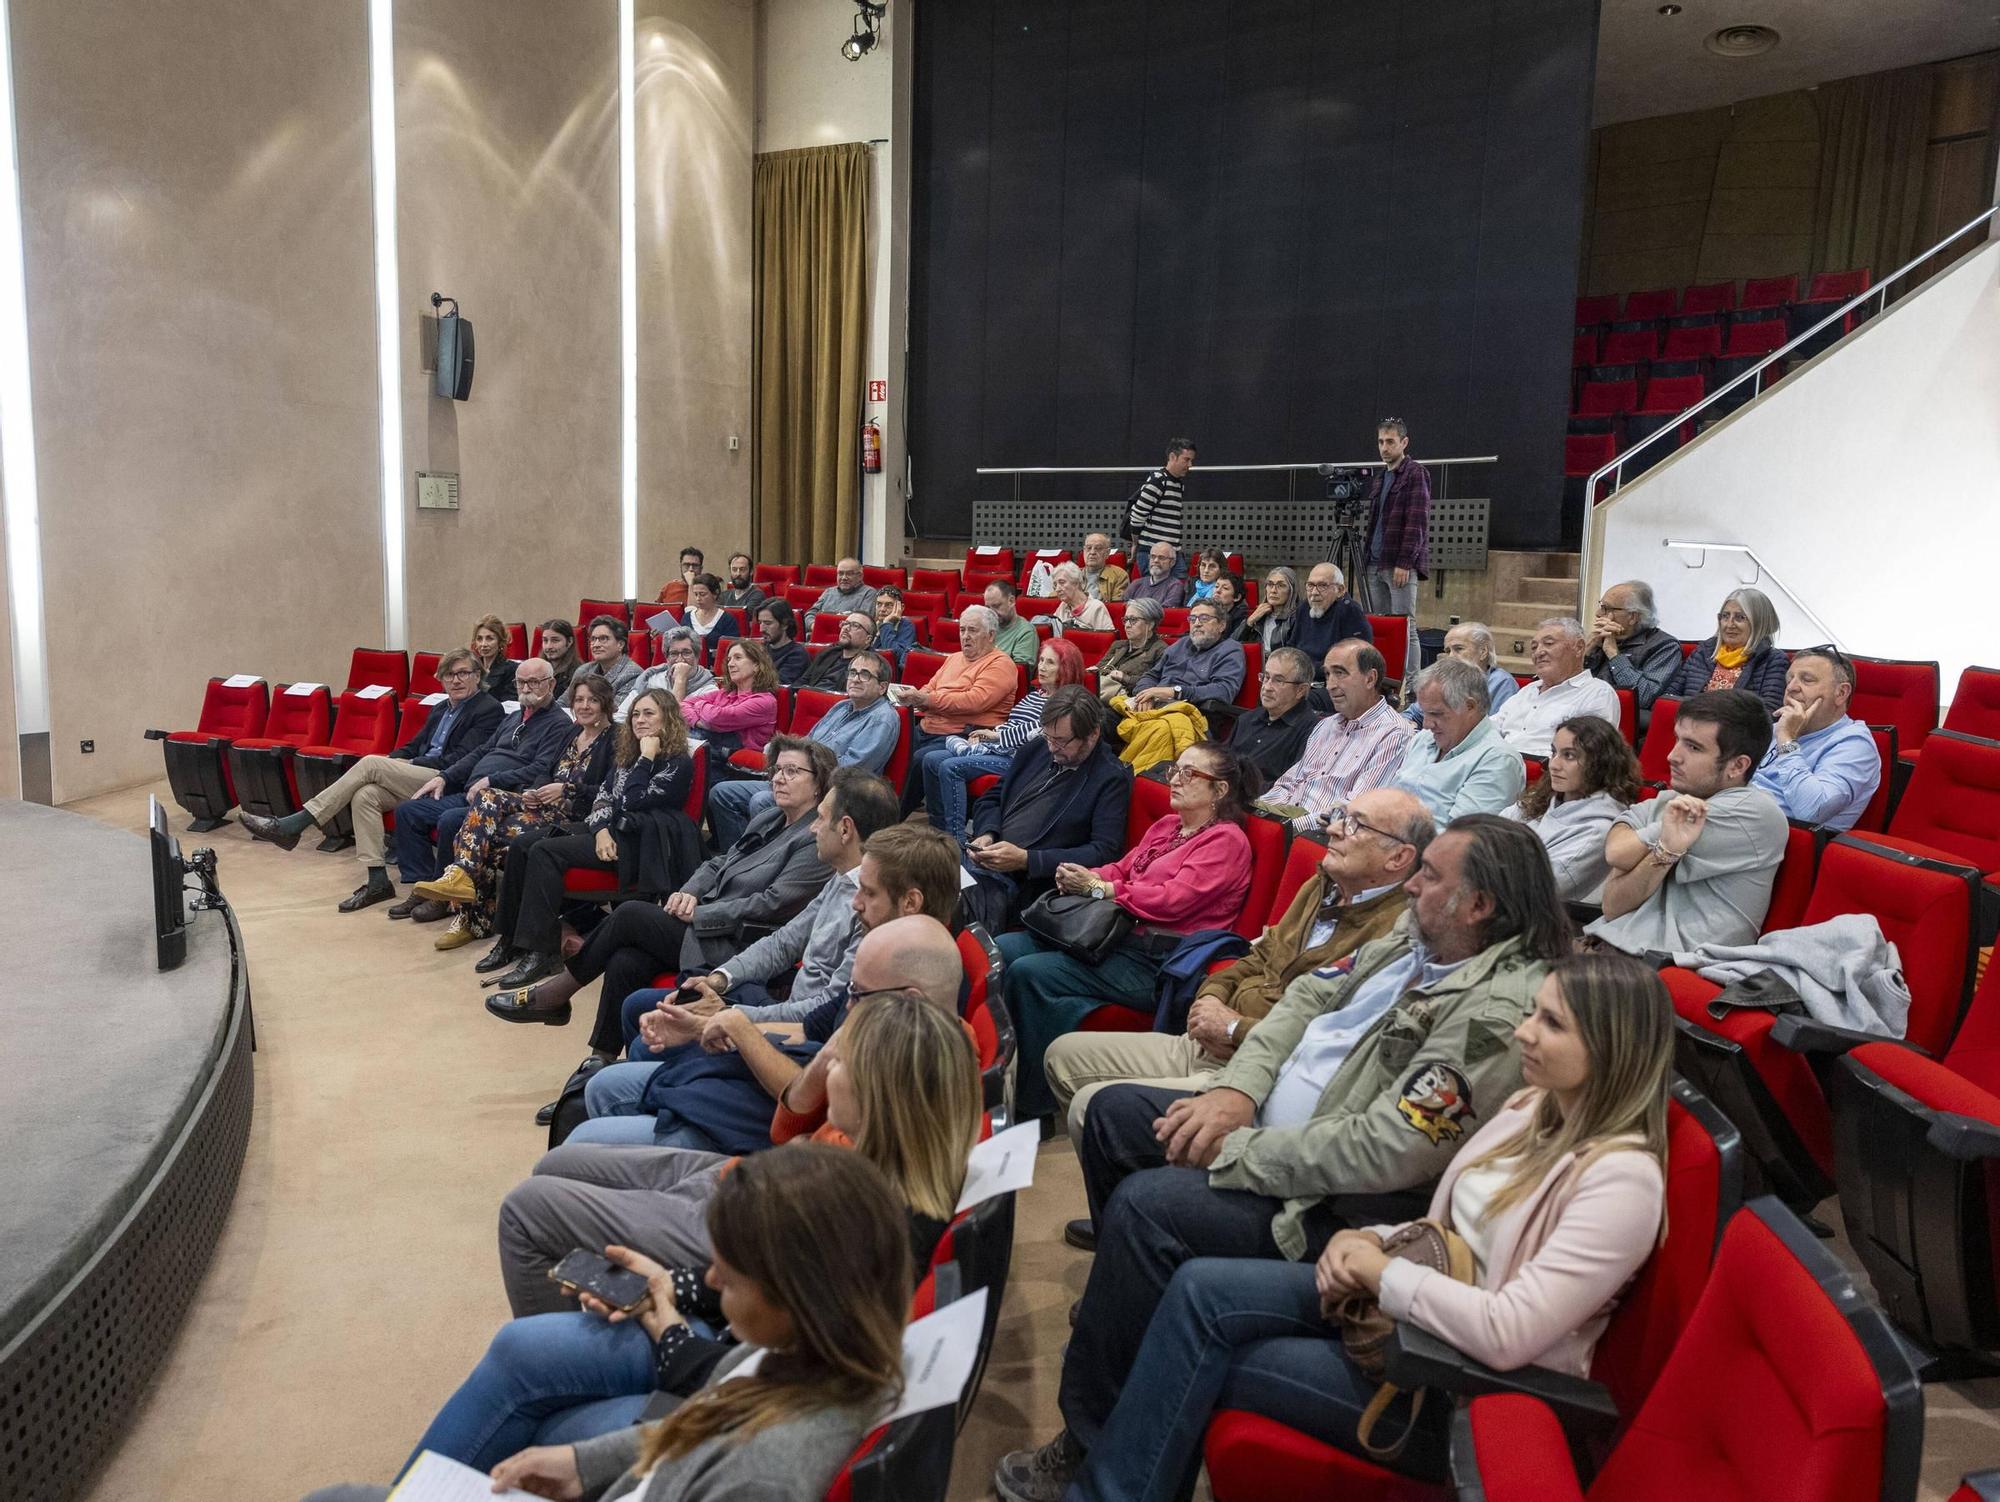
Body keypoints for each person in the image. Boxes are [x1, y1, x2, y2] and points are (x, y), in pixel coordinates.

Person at [993, 816, 1569, 1501]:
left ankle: (1094, 1449)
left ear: (1480, 906)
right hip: (1268, 1124)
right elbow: (1306, 996)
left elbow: (1385, 1150)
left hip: (1335, 1206)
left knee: (1152, 1212)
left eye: (1431, 876)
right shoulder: (1413, 936)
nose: (1412, 884)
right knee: (1117, 1120)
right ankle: (1128, 1326)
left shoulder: (1497, 1015)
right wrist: (1237, 1091)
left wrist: (1239, 1147)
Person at [1062, 950, 1675, 1500]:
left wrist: (1382, 1274)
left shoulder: (1623, 1181)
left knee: (1212, 1353)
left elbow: (1509, 1332)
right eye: (1533, 1013)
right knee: (1198, 1289)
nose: (1523, 1033)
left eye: (1552, 1024)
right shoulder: (1533, 1106)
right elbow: (1443, 1223)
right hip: (1417, 1310)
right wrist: (1370, 1240)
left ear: (1611, 1046)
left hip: (1463, 1383)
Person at [360, 999, 979, 1482]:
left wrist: (668, 1322)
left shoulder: (864, 1217)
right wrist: (660, 1289)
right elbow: (758, 1310)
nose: (826, 1066)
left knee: (528, 1373)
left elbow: (760, 1372)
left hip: (716, 1370)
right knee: (533, 1379)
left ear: (880, 1092)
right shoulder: (877, 1185)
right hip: (728, 1353)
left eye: (842, 1061)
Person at [302, 1145, 911, 1502]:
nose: (713, 1281)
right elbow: (704, 1417)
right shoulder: (805, 1354)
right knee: (551, 1424)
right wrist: (583, 1465)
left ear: (792, 1292)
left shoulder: (763, 1482)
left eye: (730, 1271)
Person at [490, 917, 964, 1320]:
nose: (859, 902)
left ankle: (574, 1352)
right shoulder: (883, 1039)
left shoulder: (923, 1073)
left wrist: (682, 1291)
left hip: (755, 1212)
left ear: (912, 998)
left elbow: (805, 1272)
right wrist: (729, 1014)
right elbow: (794, 1116)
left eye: (859, 996)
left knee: (529, 1204)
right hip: (754, 1180)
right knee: (560, 1161)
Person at [1046, 787, 1432, 1156]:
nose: (1331, 827)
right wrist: (1210, 998)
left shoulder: (1397, 934)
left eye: (1354, 824)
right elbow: (1254, 956)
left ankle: (1151, 1202)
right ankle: (1131, 1180)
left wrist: (1234, 1029)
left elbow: (1330, 1038)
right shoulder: (1322, 885)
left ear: (1398, 858)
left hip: (1264, 1069)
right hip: (1210, 1038)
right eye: (1340, 816)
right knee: (1062, 1055)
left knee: (1091, 1105)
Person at [573, 830, 963, 1149]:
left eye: (869, 893)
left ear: (910, 902)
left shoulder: (899, 980)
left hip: (774, 1124)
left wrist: (737, 1025)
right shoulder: (881, 945)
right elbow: (813, 1024)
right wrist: (711, 1016)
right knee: (631, 986)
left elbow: (809, 1109)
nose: (856, 903)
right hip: (777, 1068)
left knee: (589, 1127)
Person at [488, 737, 833, 1030]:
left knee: (630, 915)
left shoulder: (813, 839)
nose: (779, 779)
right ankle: (601, 1059)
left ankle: (555, 994)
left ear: (819, 783)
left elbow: (773, 904)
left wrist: (700, 913)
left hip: (737, 940)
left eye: (792, 772)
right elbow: (718, 861)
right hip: (708, 920)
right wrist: (689, 891)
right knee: (626, 960)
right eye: (776, 771)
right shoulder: (769, 817)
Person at [997, 741, 1259, 1121]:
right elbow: (1123, 868)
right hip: (1114, 937)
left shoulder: (1226, 841)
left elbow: (1173, 899)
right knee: (1004, 947)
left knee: (1029, 973)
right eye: (1175, 769)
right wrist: (1086, 877)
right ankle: (999, 1070)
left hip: (1158, 960)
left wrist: (1102, 889)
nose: (1175, 779)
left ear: (1219, 790)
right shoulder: (1169, 825)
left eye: (1190, 773)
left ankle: (1029, 1105)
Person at [239, 647, 504, 911]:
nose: (455, 680)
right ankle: (377, 879)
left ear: (477, 675)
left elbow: (461, 758)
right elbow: (413, 745)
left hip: (447, 780)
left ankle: (296, 823)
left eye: (463, 673)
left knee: (370, 764)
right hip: (418, 775)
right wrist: (396, 759)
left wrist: (404, 764)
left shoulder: (487, 709)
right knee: (365, 795)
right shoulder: (440, 708)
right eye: (449, 674)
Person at [480, 688, 698, 984]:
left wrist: (647, 757)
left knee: (545, 851)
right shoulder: (628, 754)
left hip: (640, 843)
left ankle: (541, 952)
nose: (639, 721)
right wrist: (600, 831)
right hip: (610, 830)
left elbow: (632, 801)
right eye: (635, 714)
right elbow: (604, 798)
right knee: (523, 844)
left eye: (649, 714)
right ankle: (509, 939)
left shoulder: (678, 762)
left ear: (668, 718)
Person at [415, 675, 618, 952]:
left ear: (606, 703)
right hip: (542, 807)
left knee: (485, 837)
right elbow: (545, 770)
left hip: (577, 820)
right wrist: (535, 790)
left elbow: (611, 792)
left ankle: (473, 917)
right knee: (486, 802)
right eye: (579, 699)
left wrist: (568, 789)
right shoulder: (573, 732)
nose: (584, 706)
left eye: (592, 700)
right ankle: (463, 884)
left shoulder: (616, 739)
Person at [1586, 690, 1786, 955]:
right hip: (1614, 947)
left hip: (1670, 968)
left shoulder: (1754, 813)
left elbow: (1621, 856)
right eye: (1677, 740)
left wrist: (1655, 850)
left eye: (1693, 747)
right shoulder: (1670, 799)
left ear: (1737, 766)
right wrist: (1666, 848)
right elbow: (1615, 871)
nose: (1672, 756)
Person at [386, 658, 575, 913]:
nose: (526, 688)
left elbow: (540, 768)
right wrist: (445, 776)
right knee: (409, 811)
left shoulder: (558, 723)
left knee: (450, 820)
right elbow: (481, 751)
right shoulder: (514, 717)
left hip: (504, 799)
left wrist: (492, 780)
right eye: (521, 682)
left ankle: (444, 899)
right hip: (471, 791)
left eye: (534, 682)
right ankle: (425, 885)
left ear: (551, 684)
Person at [961, 685, 1132, 933]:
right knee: (918, 870)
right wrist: (988, 834)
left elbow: (1103, 852)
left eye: (1061, 741)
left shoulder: (1110, 778)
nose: (1052, 747)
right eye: (1048, 736)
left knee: (946, 906)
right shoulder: (1037, 749)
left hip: (1026, 884)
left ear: (1093, 735)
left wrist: (1027, 860)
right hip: (985, 858)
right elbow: (992, 798)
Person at [707, 650, 899, 850]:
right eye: (852, 672)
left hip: (833, 793)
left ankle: (766, 865)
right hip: (799, 778)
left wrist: (800, 776)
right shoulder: (841, 707)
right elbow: (807, 743)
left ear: (882, 687)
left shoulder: (882, 718)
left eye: (865, 674)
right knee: (721, 793)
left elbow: (851, 771)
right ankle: (739, 856)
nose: (855, 679)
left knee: (762, 801)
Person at [923, 639, 1085, 840]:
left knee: (951, 767)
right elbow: (1014, 723)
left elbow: (1040, 731)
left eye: (1050, 662)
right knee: (930, 759)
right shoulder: (1036, 695)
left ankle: (955, 840)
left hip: (1023, 759)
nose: (1041, 667)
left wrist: (997, 735)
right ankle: (937, 830)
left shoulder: (1067, 700)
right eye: (1041, 660)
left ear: (1066, 667)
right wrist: (990, 735)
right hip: (1002, 747)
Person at [1260, 641, 1416, 829]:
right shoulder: (1326, 725)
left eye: (1339, 673)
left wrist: (1282, 829)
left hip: (1322, 837)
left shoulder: (1393, 734)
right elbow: (1289, 783)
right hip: (1284, 821)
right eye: (1327, 674)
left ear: (1370, 679)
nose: (1330, 685)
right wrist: (1258, 814)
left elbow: (1354, 810)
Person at [1502, 716, 1640, 904]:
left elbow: (1532, 890)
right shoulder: (1543, 797)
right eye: (1554, 753)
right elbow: (1488, 834)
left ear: (1600, 763)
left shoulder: (1598, 831)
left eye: (1569, 756)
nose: (1554, 765)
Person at [896, 604, 1017, 813]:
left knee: (919, 758)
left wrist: (927, 699)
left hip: (964, 734)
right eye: (962, 630)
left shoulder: (1001, 664)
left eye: (972, 630)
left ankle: (891, 820)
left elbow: (973, 701)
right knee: (893, 744)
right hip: (928, 728)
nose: (965, 636)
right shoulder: (953, 658)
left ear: (990, 635)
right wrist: (919, 697)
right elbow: (929, 688)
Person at [1751, 645, 1880, 831]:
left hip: (1777, 838)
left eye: (1807, 680)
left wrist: (1787, 740)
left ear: (1841, 693)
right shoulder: (1777, 727)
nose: (1791, 688)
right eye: (1789, 679)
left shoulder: (1855, 744)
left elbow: (1812, 810)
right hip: (1735, 813)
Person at [1390, 656, 1526, 822]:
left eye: (1436, 714)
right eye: (1424, 713)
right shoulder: (1424, 739)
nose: (1426, 724)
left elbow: (1461, 840)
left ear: (1470, 706)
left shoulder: (1498, 760)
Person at [1491, 617, 1622, 757]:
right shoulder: (1528, 691)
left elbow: (1586, 755)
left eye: (1548, 643)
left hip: (1548, 774)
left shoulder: (1597, 693)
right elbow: (1490, 729)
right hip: (1497, 765)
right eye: (1534, 647)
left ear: (1578, 648)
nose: (1538, 653)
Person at [1359, 418, 1428, 677]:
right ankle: (1387, 679)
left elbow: (1416, 521)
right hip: (1375, 562)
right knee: (1382, 625)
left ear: (1404, 442)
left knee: (1406, 626)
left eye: (1390, 442)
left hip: (1398, 563)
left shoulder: (1415, 473)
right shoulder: (1381, 477)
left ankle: (1411, 685)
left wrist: (1405, 562)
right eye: (1380, 442)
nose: (1384, 447)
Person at [1585, 579, 1683, 732]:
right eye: (1600, 606)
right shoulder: (1600, 639)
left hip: (1619, 724)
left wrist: (1613, 653)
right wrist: (1587, 651)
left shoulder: (1665, 646)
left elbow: (1643, 696)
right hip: (1585, 710)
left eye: (1606, 608)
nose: (1598, 614)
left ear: (1633, 617)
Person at [1668, 587, 1788, 708]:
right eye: (1725, 616)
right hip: (1689, 722)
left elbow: (1770, 712)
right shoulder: (1703, 652)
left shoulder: (1773, 660)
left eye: (1740, 617)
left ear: (1760, 623)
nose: (1729, 625)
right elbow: (1670, 696)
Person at [1126, 600, 1246, 718]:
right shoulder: (1181, 644)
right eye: (1192, 619)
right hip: (1153, 706)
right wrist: (1146, 696)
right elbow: (1151, 676)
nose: (1197, 623)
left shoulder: (1230, 650)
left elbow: (1223, 691)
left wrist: (1176, 692)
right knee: (1110, 713)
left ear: (1221, 625)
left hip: (1188, 713)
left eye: (1204, 618)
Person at [680, 638, 781, 774]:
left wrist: (699, 705)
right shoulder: (725, 693)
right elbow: (684, 704)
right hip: (710, 752)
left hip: (732, 765)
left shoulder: (764, 701)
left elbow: (716, 717)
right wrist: (699, 722)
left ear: (756, 665)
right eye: (729, 660)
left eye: (738, 658)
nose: (731, 664)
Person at [1225, 645, 1322, 783]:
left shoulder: (1312, 731)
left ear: (1301, 690)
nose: (1267, 687)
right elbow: (1221, 763)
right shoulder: (1245, 720)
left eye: (1278, 680)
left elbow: (1294, 786)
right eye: (1266, 677)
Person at [1405, 620, 1517, 725]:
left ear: (1483, 652)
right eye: (1448, 651)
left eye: (1458, 649)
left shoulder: (1501, 683)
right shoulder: (1443, 680)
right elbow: (1412, 714)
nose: (1451, 656)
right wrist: (1408, 725)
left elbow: (1497, 729)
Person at [1290, 563, 1373, 677]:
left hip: (1332, 681)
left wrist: (1303, 670)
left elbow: (1354, 660)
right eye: (1310, 585)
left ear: (1340, 590)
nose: (1314, 592)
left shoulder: (1350, 611)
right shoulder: (1304, 608)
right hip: (1301, 676)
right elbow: (1292, 646)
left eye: (1322, 585)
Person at [618, 626, 714, 721]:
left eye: (686, 653)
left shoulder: (709, 690)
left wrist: (680, 679)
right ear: (666, 657)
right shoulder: (650, 679)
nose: (680, 659)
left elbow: (674, 722)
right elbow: (620, 716)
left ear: (697, 656)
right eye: (674, 653)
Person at [1124, 437, 1195, 565]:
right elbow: (1137, 516)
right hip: (1152, 552)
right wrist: (1136, 544)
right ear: (1173, 457)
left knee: (1178, 583)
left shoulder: (1179, 484)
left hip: (1173, 552)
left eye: (1191, 460)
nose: (1190, 465)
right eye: (1186, 460)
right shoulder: (1158, 480)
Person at [1094, 596, 1167, 706]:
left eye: (1133, 620)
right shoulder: (1118, 645)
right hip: (1102, 696)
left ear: (1150, 624)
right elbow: (1100, 669)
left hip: (1130, 702)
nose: (1127, 625)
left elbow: (1158, 684)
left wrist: (1125, 678)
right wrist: (1093, 671)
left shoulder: (1161, 650)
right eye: (1126, 620)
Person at [568, 615, 641, 709]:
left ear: (620, 644)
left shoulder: (632, 674)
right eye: (593, 639)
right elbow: (564, 702)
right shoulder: (583, 670)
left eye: (603, 639)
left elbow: (613, 713)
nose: (596, 645)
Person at [797, 610, 877, 690]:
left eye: (855, 626)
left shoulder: (870, 664)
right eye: (845, 623)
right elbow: (804, 679)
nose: (846, 628)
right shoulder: (828, 652)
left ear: (868, 639)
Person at [801, 557, 876, 635]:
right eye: (840, 573)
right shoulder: (829, 592)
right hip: (820, 635)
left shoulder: (869, 593)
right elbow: (810, 614)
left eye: (849, 574)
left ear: (860, 576)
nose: (844, 578)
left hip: (848, 640)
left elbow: (862, 622)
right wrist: (815, 626)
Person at [678, 572, 740, 655]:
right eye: (696, 594)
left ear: (715, 593)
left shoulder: (727, 620)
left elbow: (732, 649)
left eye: (702, 594)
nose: (698, 598)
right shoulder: (687, 617)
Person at [1241, 565, 1300, 652]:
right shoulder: (1259, 616)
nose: (1273, 590)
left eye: (1281, 585)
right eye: (1270, 584)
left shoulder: (1297, 618)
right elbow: (1233, 645)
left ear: (1291, 591)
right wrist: (1249, 622)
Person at [984, 579, 1040, 666]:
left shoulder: (1026, 632)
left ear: (1011, 601)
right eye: (988, 607)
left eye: (996, 606)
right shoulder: (985, 628)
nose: (991, 612)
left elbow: (1020, 671)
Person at [1045, 561, 1113, 632]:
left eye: (1062, 582)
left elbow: (1108, 638)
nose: (1057, 589)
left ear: (1076, 583)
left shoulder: (1096, 607)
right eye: (1055, 585)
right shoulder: (1062, 607)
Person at [754, 600, 809, 686]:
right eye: (760, 623)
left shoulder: (797, 655)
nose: (761, 629)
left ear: (784, 624)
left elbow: (776, 686)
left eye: (768, 623)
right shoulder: (760, 649)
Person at [468, 613, 517, 702]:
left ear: (500, 642)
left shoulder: (511, 670)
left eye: (489, 638)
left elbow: (509, 705)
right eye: (479, 639)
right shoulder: (470, 666)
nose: (483, 644)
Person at [1125, 540, 1188, 609]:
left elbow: (1164, 613)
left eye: (1161, 558)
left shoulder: (1175, 586)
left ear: (1172, 562)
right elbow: (1122, 606)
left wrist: (1134, 606)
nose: (1156, 560)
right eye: (1152, 556)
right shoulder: (1136, 583)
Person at [538, 618, 584, 697]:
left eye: (555, 640)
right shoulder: (537, 668)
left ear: (569, 641)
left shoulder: (579, 672)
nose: (548, 646)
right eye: (545, 640)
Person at [869, 585, 917, 660]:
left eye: (888, 605)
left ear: (901, 607)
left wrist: (886, 624)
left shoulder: (906, 626)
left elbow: (896, 656)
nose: (882, 609)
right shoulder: (870, 623)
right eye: (879, 604)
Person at [1079, 532, 1129, 602]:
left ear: (1107, 553)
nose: (1092, 552)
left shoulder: (1119, 575)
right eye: (1089, 548)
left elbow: (1116, 607)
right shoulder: (1072, 574)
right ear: (1084, 550)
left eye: (1098, 548)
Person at [653, 544, 705, 608]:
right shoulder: (669, 587)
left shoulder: (707, 590)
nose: (690, 569)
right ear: (680, 567)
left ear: (701, 569)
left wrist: (691, 584)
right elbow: (655, 610)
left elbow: (694, 615)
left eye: (695, 565)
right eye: (686, 565)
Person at [1209, 571, 1248, 639]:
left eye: (1225, 588)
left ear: (1237, 597)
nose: (1218, 590)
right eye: (1216, 586)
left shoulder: (1240, 618)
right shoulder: (1205, 610)